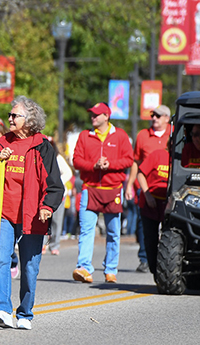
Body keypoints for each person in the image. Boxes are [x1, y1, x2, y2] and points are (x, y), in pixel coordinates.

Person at [0, 96, 64, 330]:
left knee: (30, 267)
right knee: (1, 260)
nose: (9, 119)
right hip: (4, 214)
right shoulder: (1, 144)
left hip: (33, 215)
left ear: (29, 120)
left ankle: (24, 314)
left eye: (14, 116)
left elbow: (55, 184)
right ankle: (2, 309)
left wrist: (47, 206)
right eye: (10, 115)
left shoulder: (43, 146)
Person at [72, 103, 133, 284]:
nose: (93, 117)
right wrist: (94, 165)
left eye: (97, 115)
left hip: (113, 189)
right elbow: (76, 160)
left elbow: (129, 159)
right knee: (86, 230)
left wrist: (110, 164)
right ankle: (84, 268)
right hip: (90, 189)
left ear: (107, 116)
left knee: (113, 232)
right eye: (92, 114)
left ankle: (111, 270)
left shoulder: (120, 136)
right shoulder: (85, 136)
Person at [125, 105, 172, 272]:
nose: (154, 118)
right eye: (153, 115)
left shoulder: (174, 133)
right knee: (145, 228)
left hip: (168, 194)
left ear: (167, 118)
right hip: (145, 188)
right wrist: (130, 185)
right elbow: (136, 163)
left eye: (158, 116)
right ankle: (145, 259)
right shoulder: (143, 135)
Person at [137, 147, 170, 275]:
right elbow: (141, 174)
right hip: (150, 202)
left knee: (168, 238)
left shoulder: (181, 157)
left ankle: (165, 270)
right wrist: (148, 195)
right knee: (151, 239)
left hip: (168, 203)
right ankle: (154, 270)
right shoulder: (158, 154)